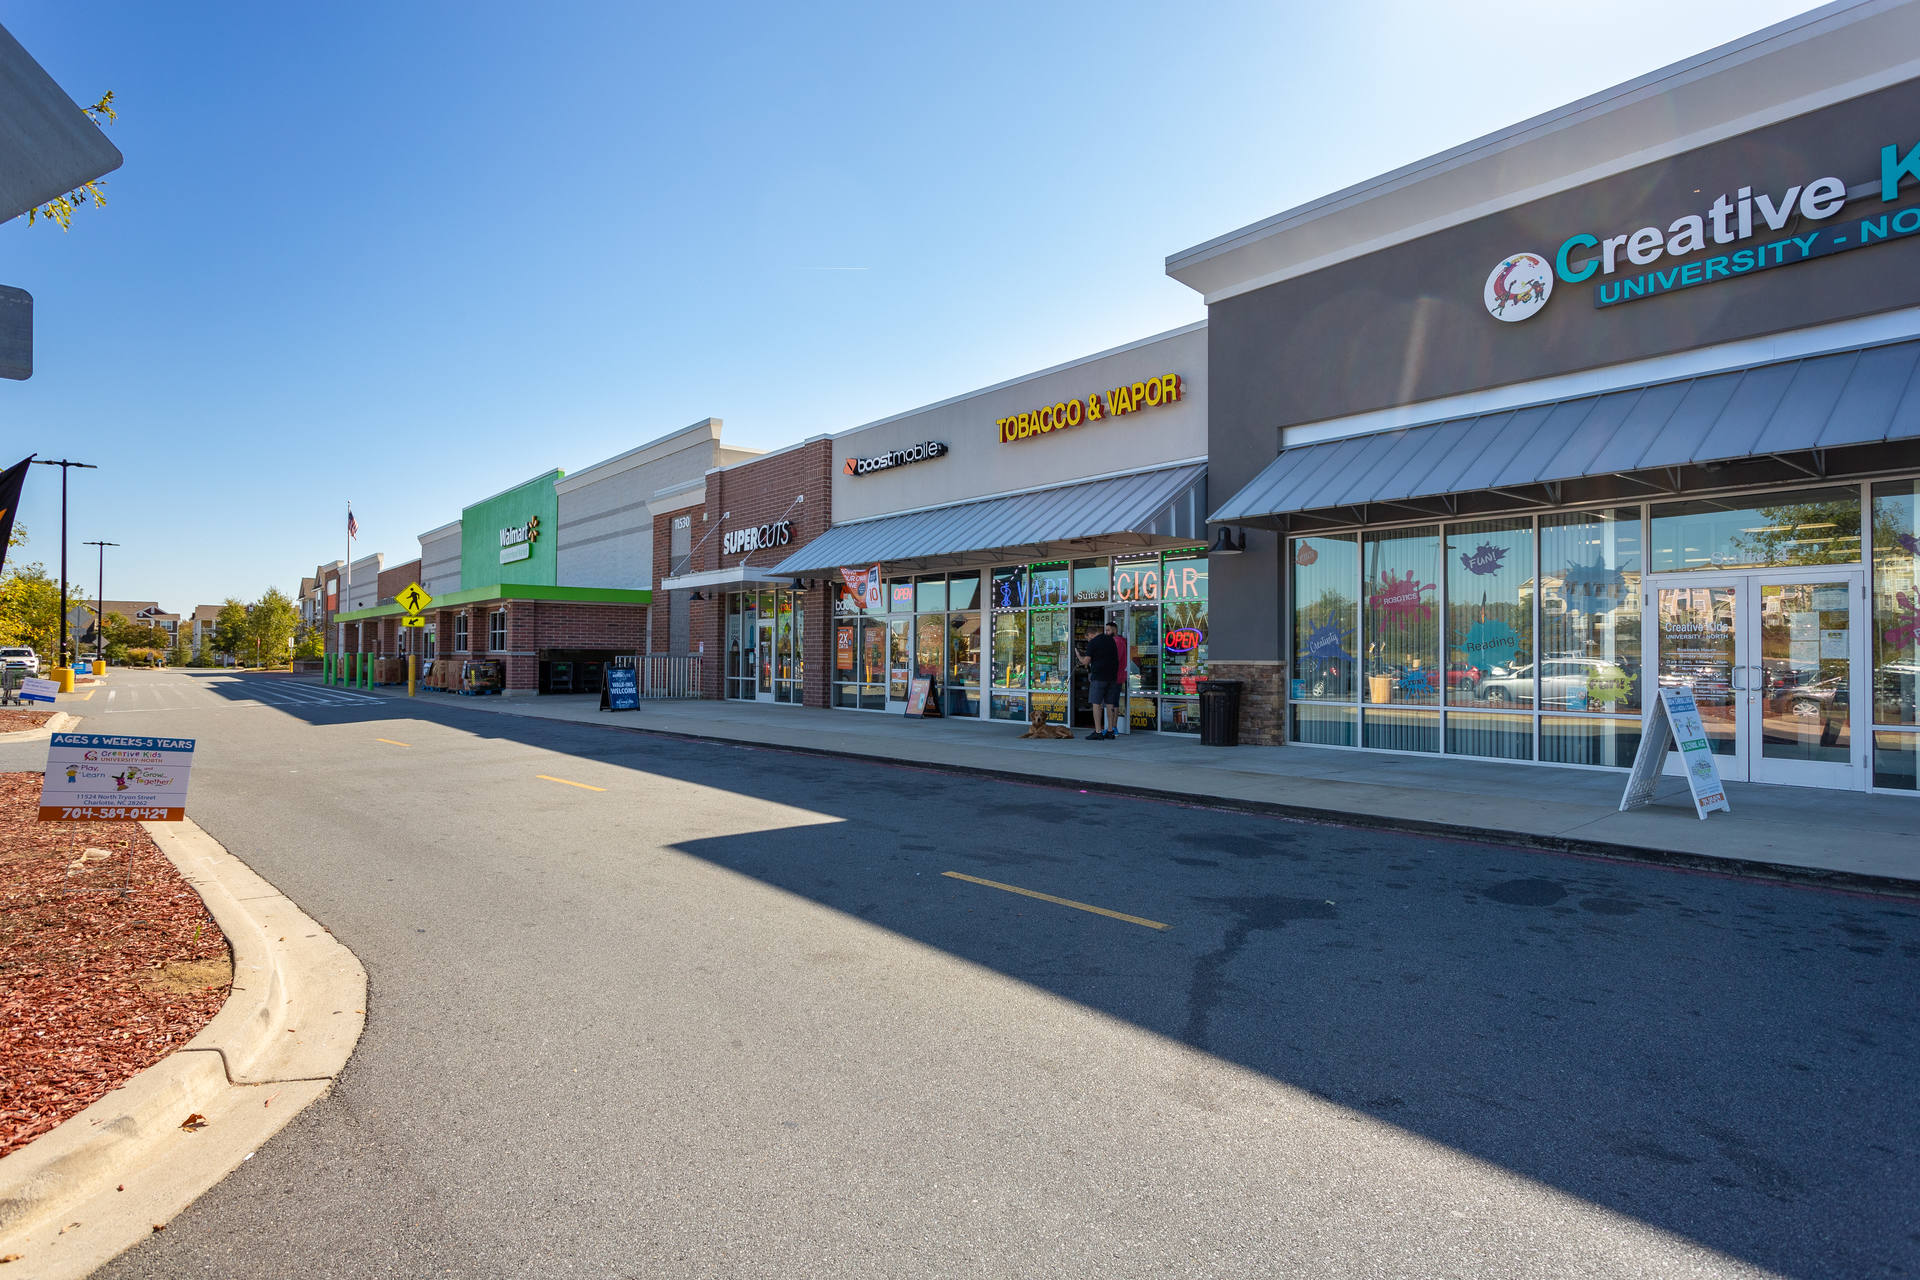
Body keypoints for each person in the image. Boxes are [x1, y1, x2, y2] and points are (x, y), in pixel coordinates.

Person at [1081, 620, 1122, 740]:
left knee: (1096, 703)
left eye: (1087, 638)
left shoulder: (1093, 643)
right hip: (1112, 677)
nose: (1088, 640)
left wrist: (1078, 656)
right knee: (1110, 704)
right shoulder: (1110, 640)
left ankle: (1098, 731)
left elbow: (1086, 662)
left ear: (1090, 634)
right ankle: (1110, 730)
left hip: (1098, 677)